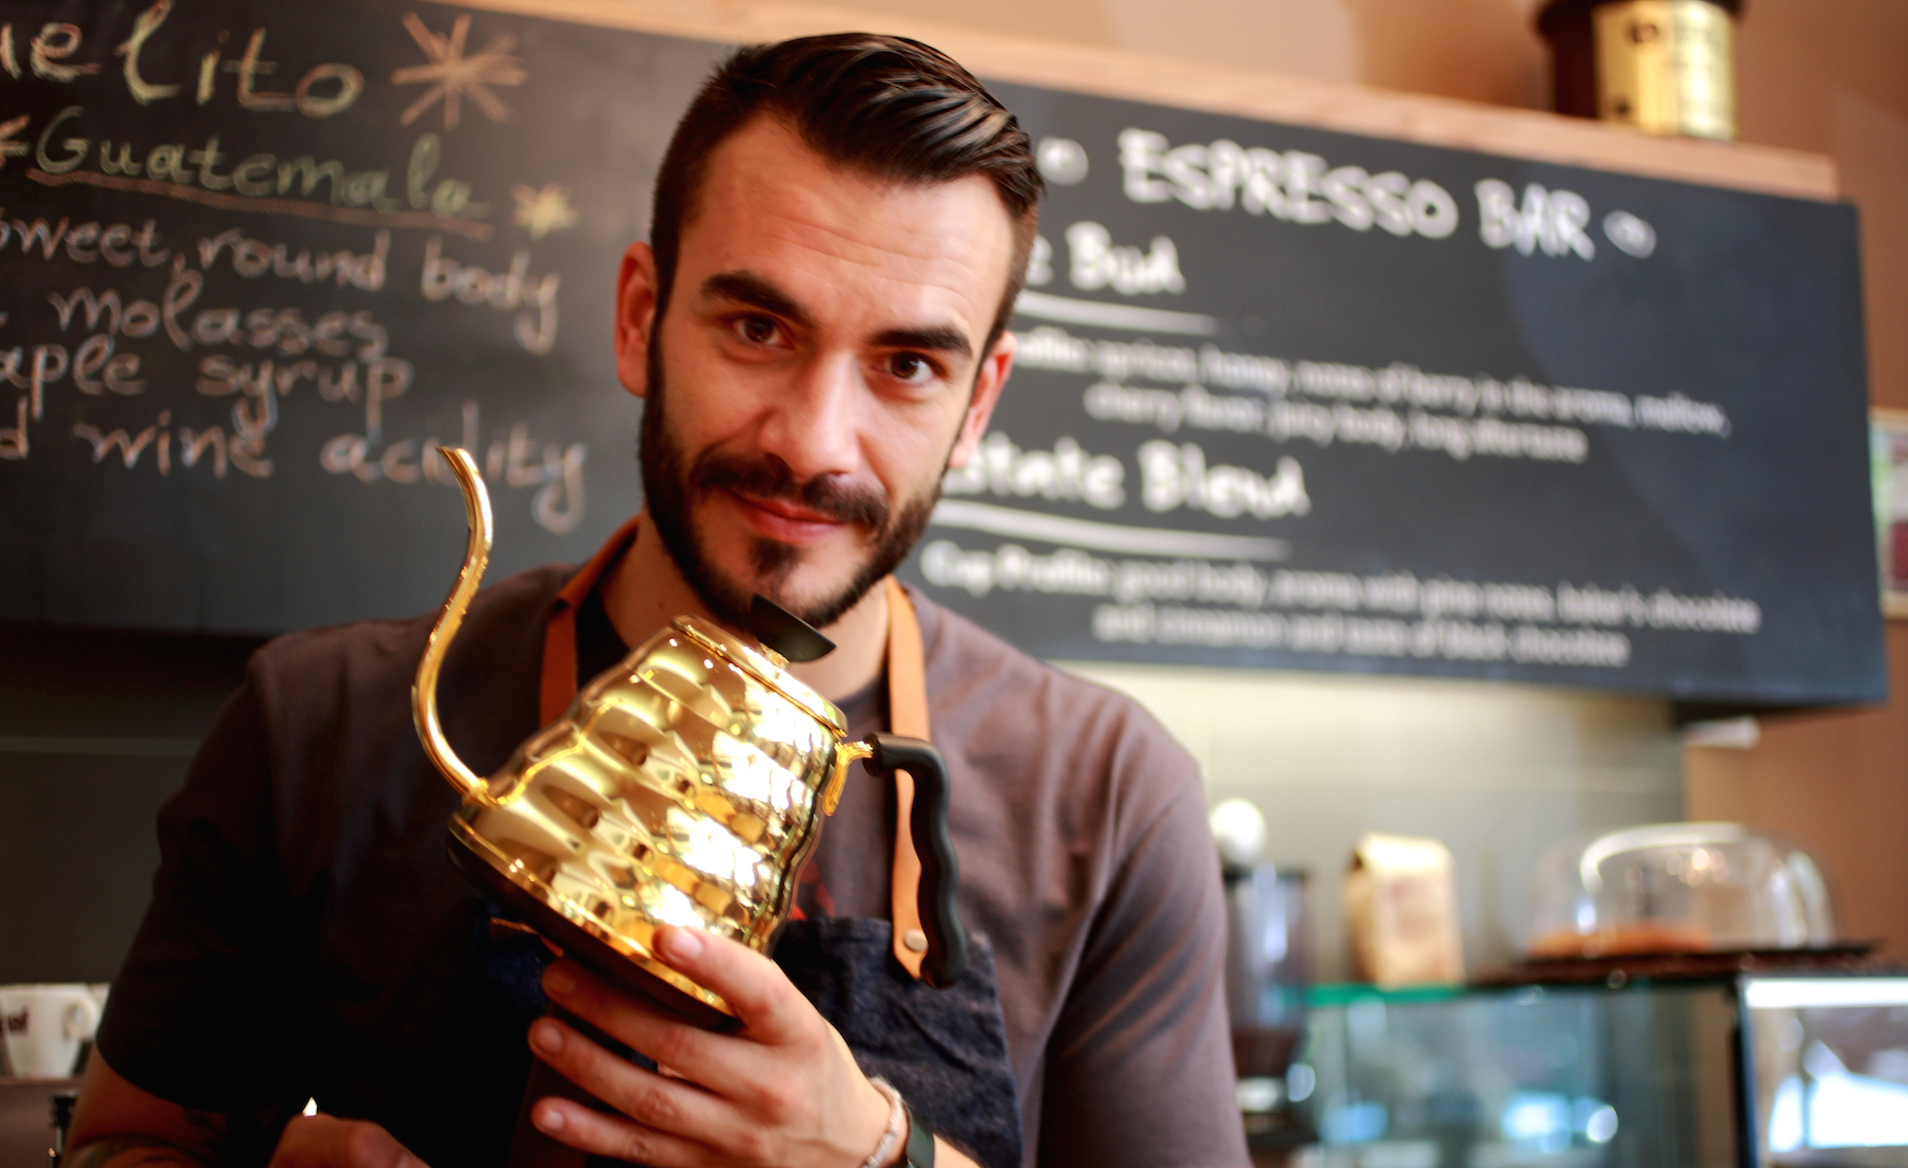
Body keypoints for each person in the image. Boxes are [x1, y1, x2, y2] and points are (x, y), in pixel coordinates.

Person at [65, 34, 1247, 1168]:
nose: (813, 443)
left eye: (906, 365)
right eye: (758, 327)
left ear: (977, 403)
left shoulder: (1110, 796)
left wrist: (880, 1155)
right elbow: (119, 1141)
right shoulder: (319, 723)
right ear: (641, 317)